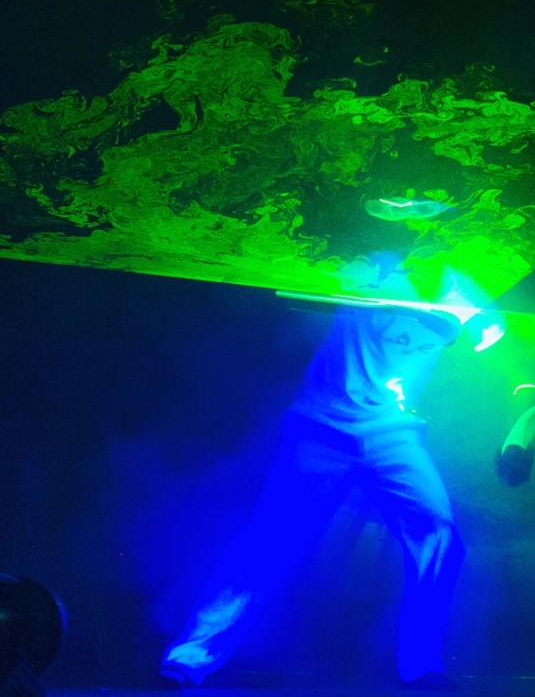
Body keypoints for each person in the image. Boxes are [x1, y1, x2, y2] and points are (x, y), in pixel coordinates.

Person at [160, 286, 470, 690]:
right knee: (270, 538)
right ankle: (190, 657)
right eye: (406, 339)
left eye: (426, 346)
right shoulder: (374, 279)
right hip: (319, 426)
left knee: (438, 530)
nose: (413, 349)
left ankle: (422, 666)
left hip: (393, 432)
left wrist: (484, 321)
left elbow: (487, 318)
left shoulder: (459, 288)